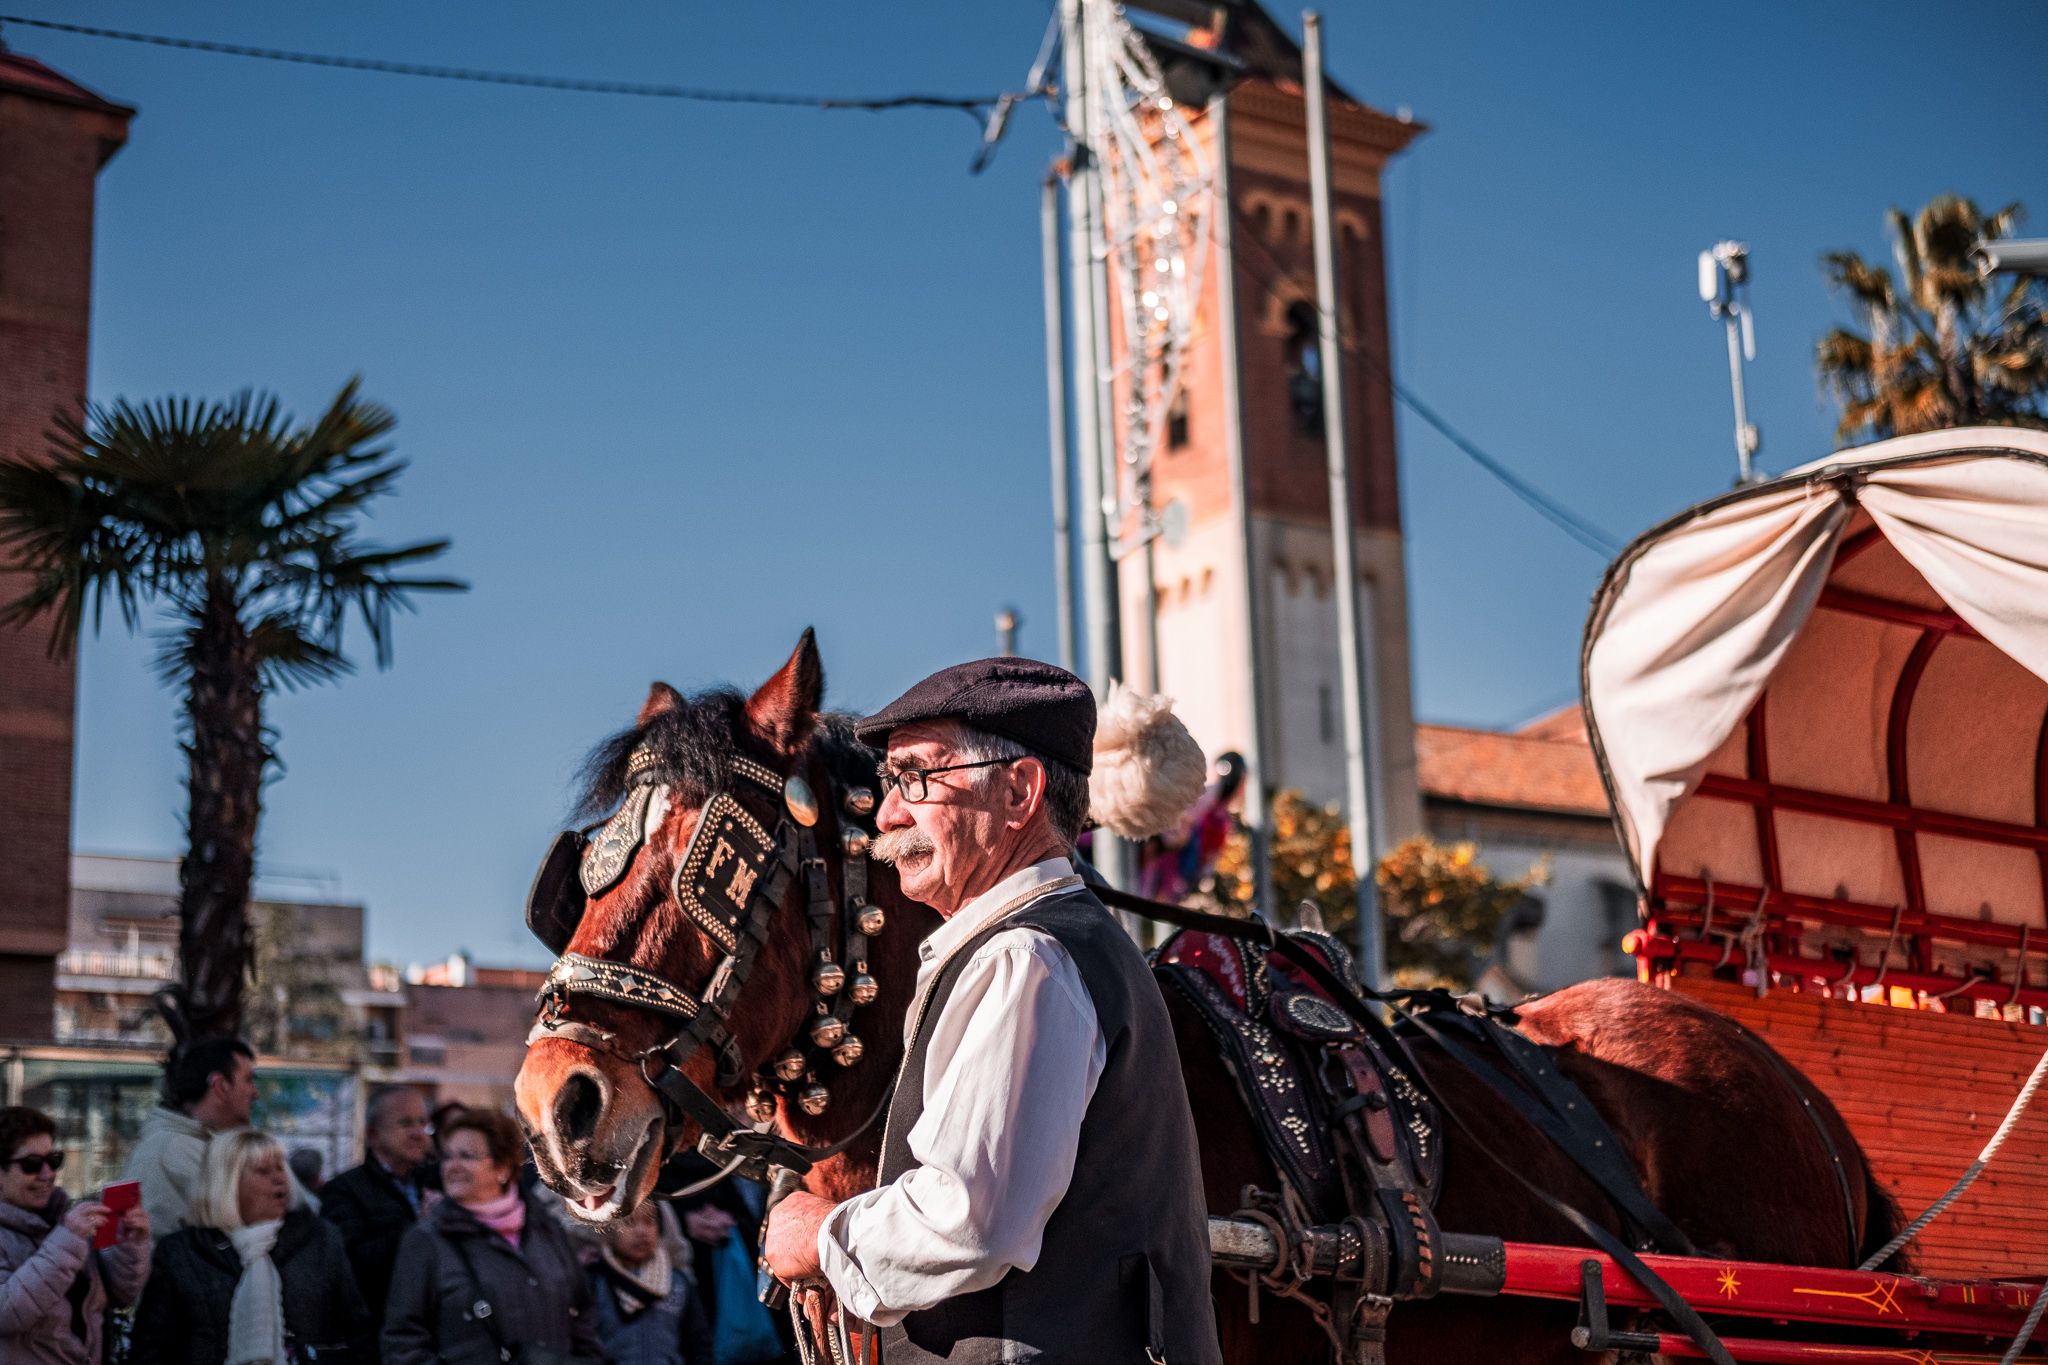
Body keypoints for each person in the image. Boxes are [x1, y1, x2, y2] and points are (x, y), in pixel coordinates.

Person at [763, 657, 1223, 1364]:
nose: (888, 814)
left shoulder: (1026, 959)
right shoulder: (1057, 944)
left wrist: (821, 1234)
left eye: (917, 776)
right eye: (889, 782)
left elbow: (973, 1220)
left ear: (1018, 791)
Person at [130, 1127, 369, 1365]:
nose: (279, 1178)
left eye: (280, 1168)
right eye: (263, 1171)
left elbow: (357, 1331)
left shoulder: (320, 1239)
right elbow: (151, 1347)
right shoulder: (180, 1253)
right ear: (227, 1183)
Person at [381, 1109, 599, 1365]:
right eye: (447, 1156)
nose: (452, 1166)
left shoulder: (546, 1229)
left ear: (503, 1167)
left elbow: (583, 1314)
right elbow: (403, 1341)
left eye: (467, 1156)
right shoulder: (426, 1241)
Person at [0, 1105, 150, 1365]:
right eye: (32, 1165)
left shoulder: (60, 1221)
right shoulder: (64, 1232)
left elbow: (121, 1294)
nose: (48, 1175)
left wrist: (129, 1242)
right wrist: (66, 1241)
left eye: (54, 1160)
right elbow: (5, 1312)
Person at [319, 1088, 433, 1356]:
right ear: (373, 1134)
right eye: (405, 1123)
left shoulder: (436, 1182)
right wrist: (421, 1226)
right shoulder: (345, 1191)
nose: (418, 1133)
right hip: (377, 1340)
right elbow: (353, 1265)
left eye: (422, 1122)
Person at [124, 1038, 258, 1236]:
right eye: (248, 1080)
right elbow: (251, 1228)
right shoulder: (179, 1150)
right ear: (220, 1085)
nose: (255, 1092)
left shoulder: (178, 1143)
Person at [588, 1202, 712, 1365]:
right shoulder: (594, 1281)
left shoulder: (678, 1283)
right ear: (607, 1230)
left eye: (650, 1222)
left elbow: (699, 1344)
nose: (642, 1232)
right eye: (628, 1222)